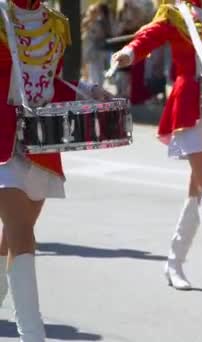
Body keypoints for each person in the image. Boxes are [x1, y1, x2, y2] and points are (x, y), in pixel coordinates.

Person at [112, 0, 202, 294]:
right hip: (189, 108)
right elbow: (148, 37)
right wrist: (129, 52)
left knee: (196, 191)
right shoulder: (176, 14)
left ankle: (173, 262)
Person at [0, 1, 108, 340]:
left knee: (14, 236)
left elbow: (50, 84)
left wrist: (87, 91)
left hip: (39, 144)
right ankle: (33, 333)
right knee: (20, 233)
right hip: (1, 140)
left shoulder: (56, 24)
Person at [81, 2, 113, 85]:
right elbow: (82, 32)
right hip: (87, 47)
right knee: (87, 68)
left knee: (97, 69)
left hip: (97, 49)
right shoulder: (86, 21)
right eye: (92, 12)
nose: (94, 14)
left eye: (95, 12)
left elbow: (101, 34)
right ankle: (88, 84)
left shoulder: (99, 23)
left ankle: (97, 85)